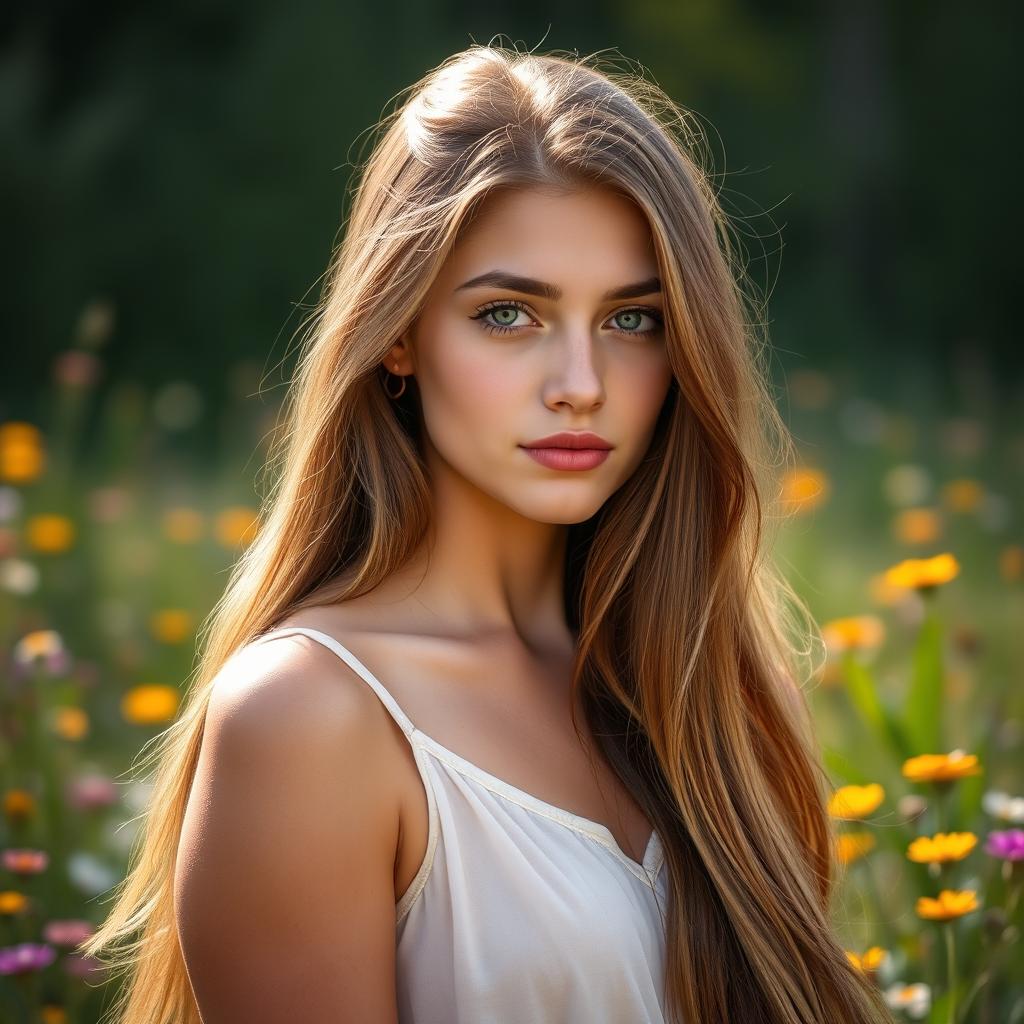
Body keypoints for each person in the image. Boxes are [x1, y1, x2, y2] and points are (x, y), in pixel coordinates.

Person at [80, 43, 897, 1024]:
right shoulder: (308, 717)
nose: (581, 384)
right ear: (397, 333)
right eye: (509, 314)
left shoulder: (691, 688)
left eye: (633, 320)